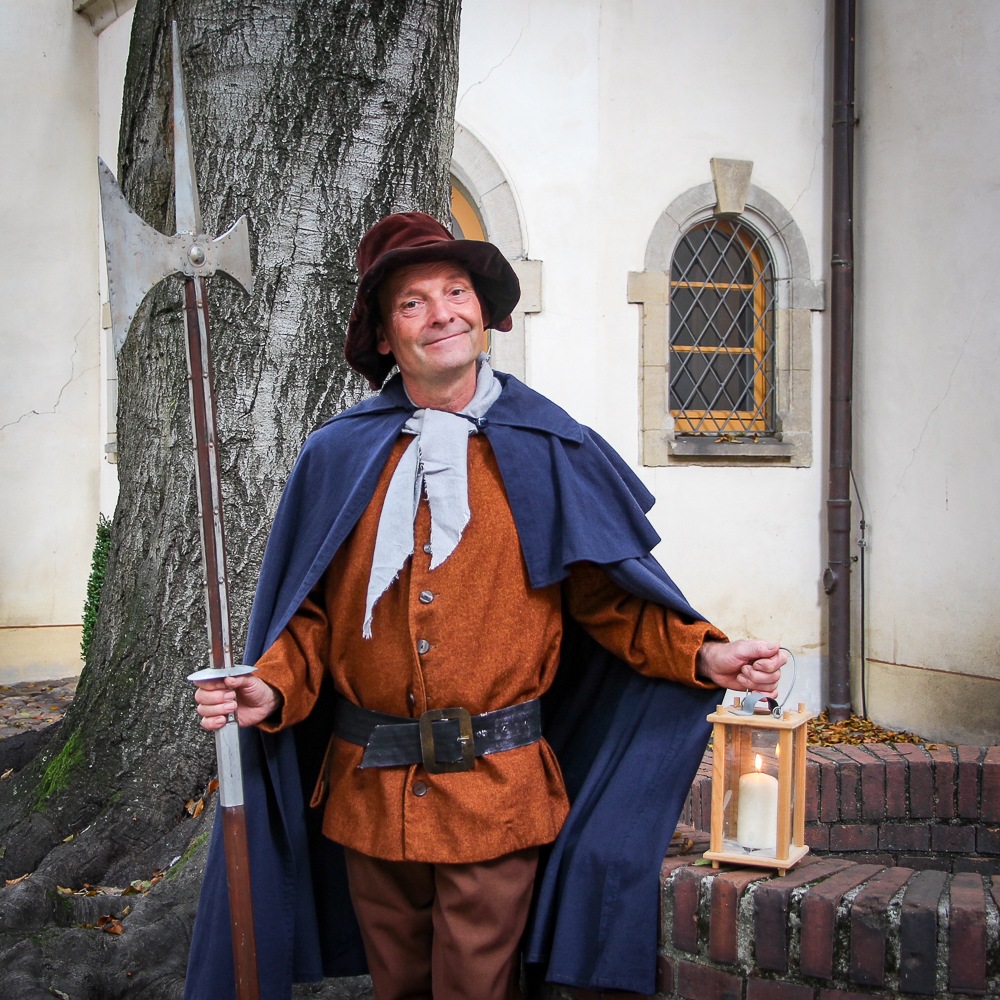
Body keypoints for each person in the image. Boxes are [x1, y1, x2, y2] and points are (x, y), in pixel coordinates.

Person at [186, 212, 785, 1000]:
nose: (442, 314)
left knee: (478, 988)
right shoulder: (338, 453)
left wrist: (704, 653)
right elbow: (310, 616)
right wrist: (270, 686)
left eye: (456, 292)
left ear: (484, 311)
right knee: (396, 987)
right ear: (384, 336)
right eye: (413, 303)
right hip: (370, 792)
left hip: (497, 790)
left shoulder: (546, 446)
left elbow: (612, 602)